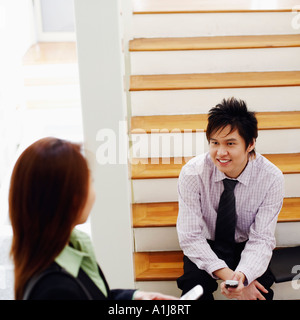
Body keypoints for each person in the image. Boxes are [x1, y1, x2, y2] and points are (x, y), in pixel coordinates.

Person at [9, 137, 177, 300]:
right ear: (73, 198)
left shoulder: (69, 248)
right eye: (91, 182)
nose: (93, 192)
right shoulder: (55, 289)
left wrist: (135, 297)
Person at [176, 97, 284, 300]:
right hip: (206, 242)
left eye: (230, 143)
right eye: (214, 143)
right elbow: (190, 236)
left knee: (260, 290)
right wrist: (231, 279)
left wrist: (244, 276)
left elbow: (262, 239)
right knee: (193, 286)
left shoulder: (271, 177)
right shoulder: (192, 173)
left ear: (250, 144)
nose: (221, 152)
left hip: (246, 242)